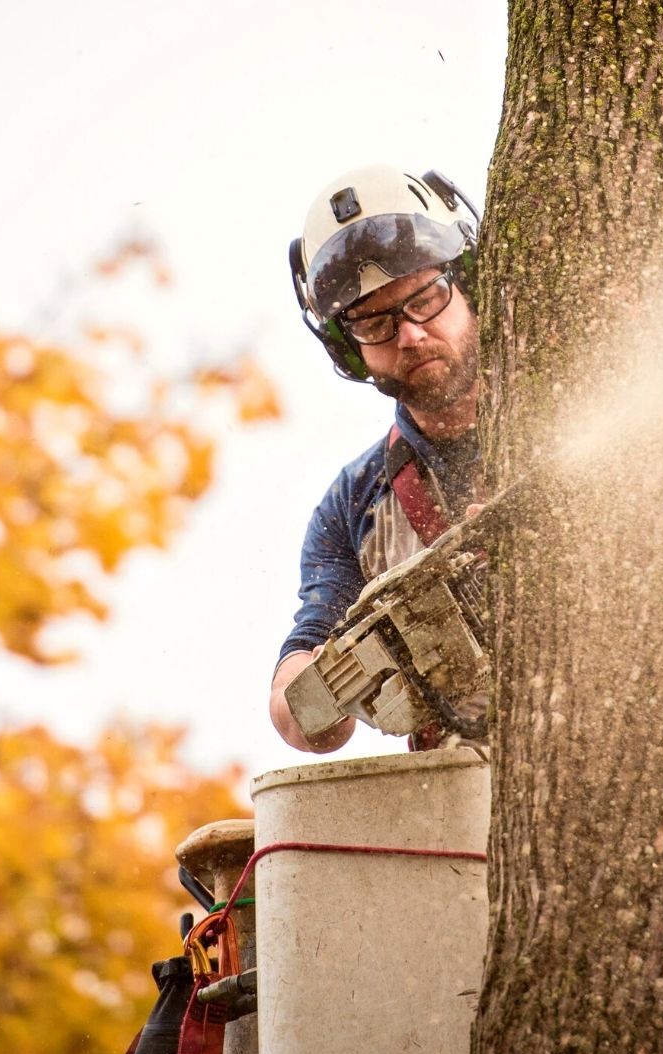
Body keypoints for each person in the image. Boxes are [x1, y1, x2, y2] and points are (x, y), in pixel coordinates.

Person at [268, 165, 485, 753]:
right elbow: (300, 685)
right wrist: (311, 695)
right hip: (466, 812)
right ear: (347, 346)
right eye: (374, 322)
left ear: (468, 284)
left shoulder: (570, 411)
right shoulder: (352, 509)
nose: (410, 336)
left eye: (425, 298)